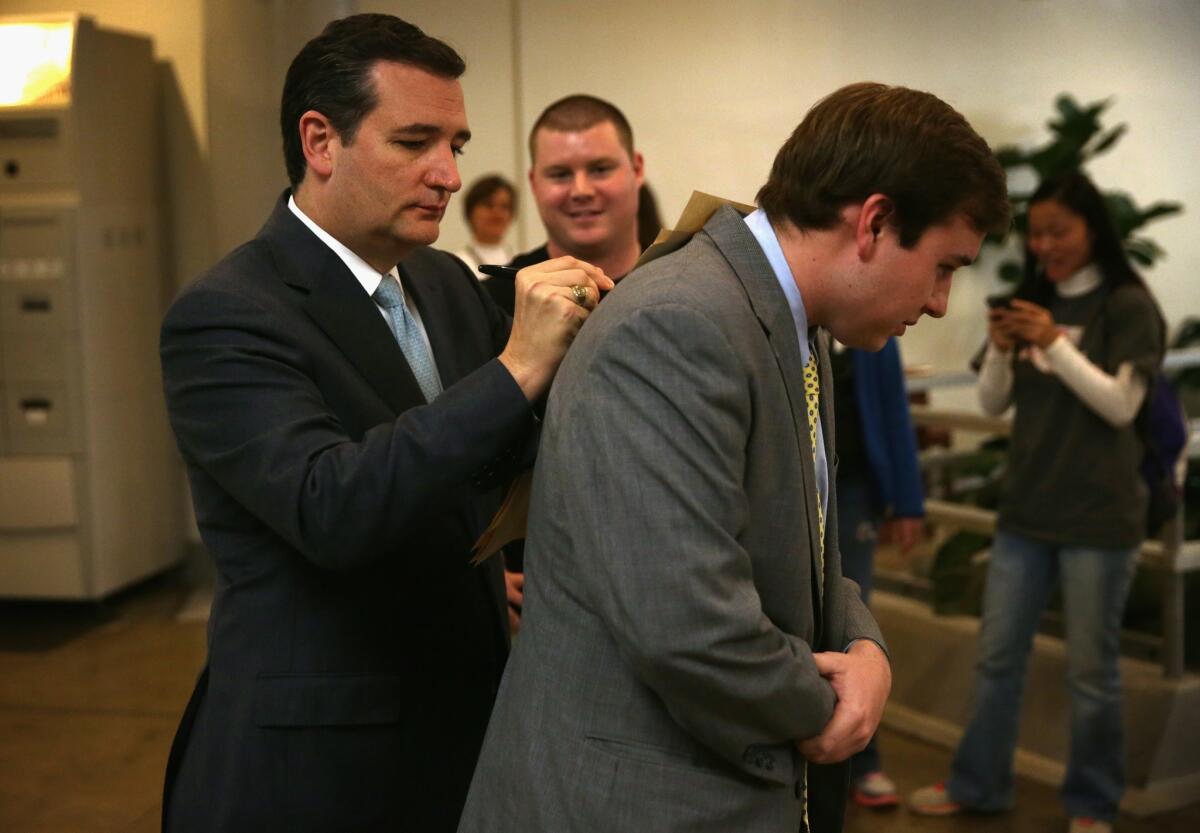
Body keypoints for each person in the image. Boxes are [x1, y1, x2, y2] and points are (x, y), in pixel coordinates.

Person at [458, 82, 1009, 833]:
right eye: (944, 265)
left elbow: (809, 544)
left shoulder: (793, 320)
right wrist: (836, 702)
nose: (942, 300)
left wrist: (866, 650)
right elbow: (686, 620)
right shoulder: (679, 323)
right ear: (874, 223)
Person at [157, 15, 611, 833]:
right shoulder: (226, 314)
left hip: (458, 733)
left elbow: (487, 452)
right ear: (321, 141)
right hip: (316, 770)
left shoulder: (436, 280)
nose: (447, 174)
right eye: (414, 142)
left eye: (457, 146)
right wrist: (516, 369)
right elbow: (333, 504)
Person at [909, 172, 1165, 833]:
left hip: (1100, 519)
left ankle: (1091, 803)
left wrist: (1053, 342)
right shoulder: (1030, 298)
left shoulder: (1127, 305)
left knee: (1091, 671)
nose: (1046, 245)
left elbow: (1122, 405)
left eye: (1060, 230)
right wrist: (1000, 349)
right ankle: (979, 783)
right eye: (1037, 232)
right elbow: (993, 401)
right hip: (1026, 511)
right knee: (996, 657)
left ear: (1093, 229)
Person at [830, 336, 925, 808]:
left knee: (855, 617)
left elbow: (893, 409)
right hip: (794, 480)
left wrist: (907, 500)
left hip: (852, 489)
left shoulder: (871, 328)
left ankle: (863, 759)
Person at [484, 94, 644, 315]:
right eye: (560, 174)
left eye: (600, 169)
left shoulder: (685, 282)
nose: (581, 191)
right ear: (534, 183)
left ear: (637, 170)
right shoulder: (490, 306)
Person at [454, 174, 517, 276]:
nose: (497, 213)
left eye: (504, 206)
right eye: (488, 205)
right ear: (470, 212)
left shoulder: (521, 263)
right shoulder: (457, 265)